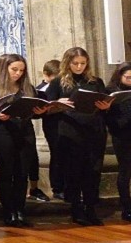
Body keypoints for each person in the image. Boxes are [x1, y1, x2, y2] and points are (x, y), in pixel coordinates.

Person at [0, 54, 48, 227]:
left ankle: (20, 211)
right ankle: (8, 211)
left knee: (22, 174)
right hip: (2, 133)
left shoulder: (27, 88)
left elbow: (35, 112)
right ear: (4, 70)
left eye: (21, 70)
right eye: (14, 70)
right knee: (6, 173)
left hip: (25, 132)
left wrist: (40, 112)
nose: (18, 74)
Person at [45, 47, 111, 226]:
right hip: (70, 132)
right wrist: (57, 104)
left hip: (94, 131)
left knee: (93, 171)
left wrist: (106, 106)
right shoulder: (59, 82)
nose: (79, 67)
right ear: (68, 63)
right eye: (75, 64)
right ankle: (76, 208)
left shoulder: (95, 81)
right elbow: (46, 108)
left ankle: (91, 207)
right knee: (74, 171)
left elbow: (104, 102)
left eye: (83, 63)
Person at [106, 62, 131, 221]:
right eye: (128, 77)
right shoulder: (111, 92)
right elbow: (111, 120)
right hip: (122, 136)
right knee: (126, 170)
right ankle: (127, 207)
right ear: (119, 76)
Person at [36, 59, 61, 200]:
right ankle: (57, 186)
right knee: (56, 154)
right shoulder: (41, 89)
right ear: (46, 75)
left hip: (65, 122)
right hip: (51, 124)